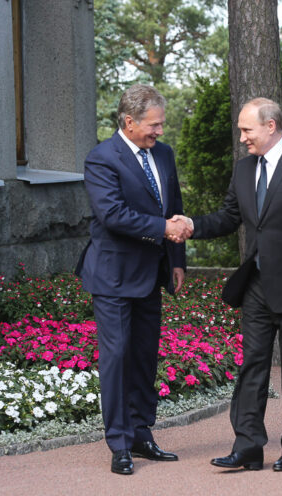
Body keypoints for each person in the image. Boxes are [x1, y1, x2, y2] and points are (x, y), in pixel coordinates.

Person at [175, 97, 282, 471]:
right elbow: (230, 217)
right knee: (252, 365)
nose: (242, 137)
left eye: (247, 129)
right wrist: (192, 226)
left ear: (270, 126)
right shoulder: (244, 170)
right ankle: (248, 446)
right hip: (257, 285)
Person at [75, 84, 192, 475]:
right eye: (154, 125)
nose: (160, 132)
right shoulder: (101, 159)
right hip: (112, 276)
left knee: (144, 357)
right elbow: (113, 215)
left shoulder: (163, 154)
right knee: (117, 357)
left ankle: (142, 434)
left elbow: (173, 207)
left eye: (161, 124)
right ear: (129, 121)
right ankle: (120, 443)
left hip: (151, 274)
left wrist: (177, 260)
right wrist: (164, 228)